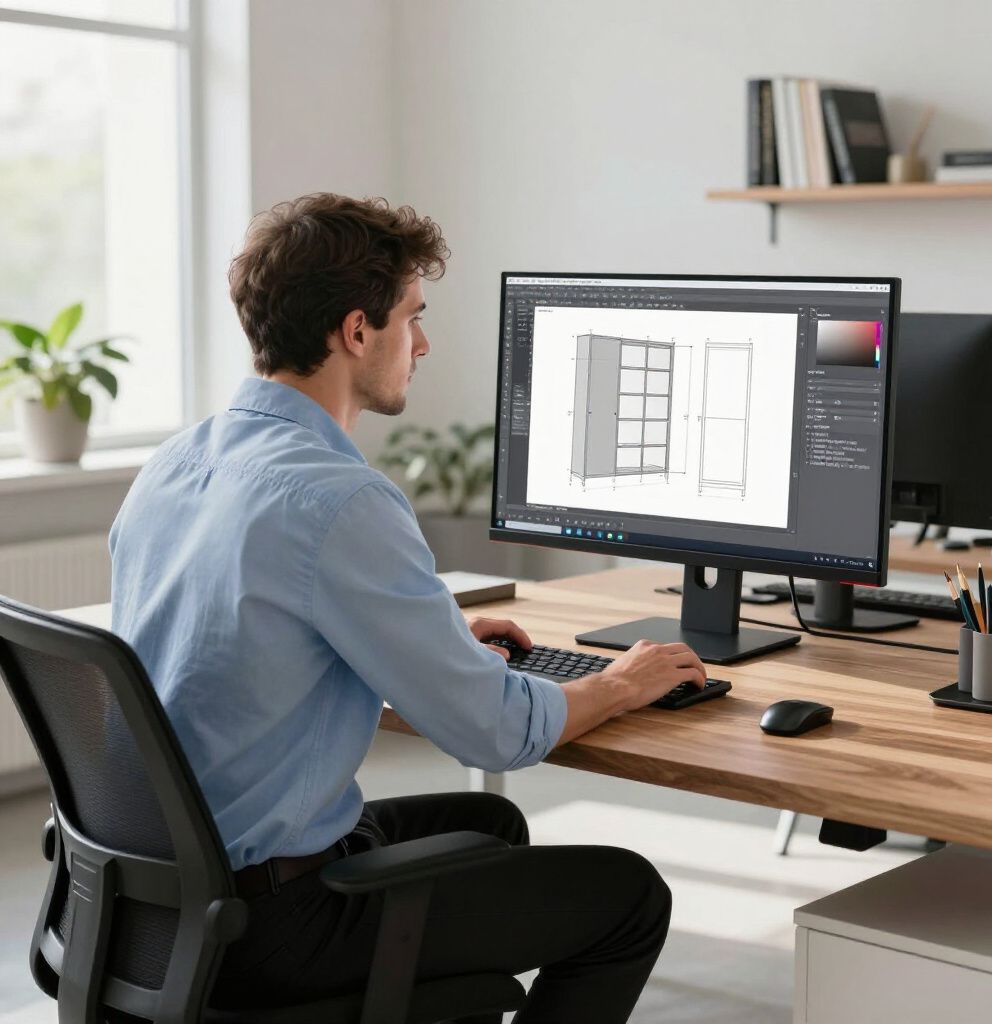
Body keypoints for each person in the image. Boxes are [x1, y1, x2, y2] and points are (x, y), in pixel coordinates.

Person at [109, 193, 707, 1022]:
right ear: (357, 332)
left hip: (156, 899)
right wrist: (619, 682)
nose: (422, 344)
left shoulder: (177, 462)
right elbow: (492, 730)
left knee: (488, 821)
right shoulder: (340, 499)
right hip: (270, 926)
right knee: (629, 897)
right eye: (412, 318)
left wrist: (430, 635)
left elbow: (238, 624)